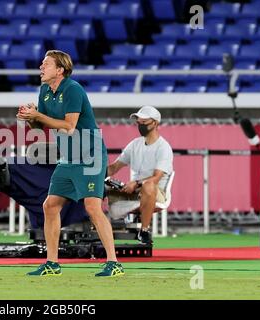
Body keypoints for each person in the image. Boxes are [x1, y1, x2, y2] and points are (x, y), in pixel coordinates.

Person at [17, 50, 124, 277]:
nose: (40, 67)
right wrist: (30, 119)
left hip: (90, 155)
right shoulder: (45, 90)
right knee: (50, 206)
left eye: (45, 64)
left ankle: (114, 263)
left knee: (92, 207)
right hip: (68, 158)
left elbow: (69, 126)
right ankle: (52, 263)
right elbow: (40, 128)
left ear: (60, 70)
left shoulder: (73, 89)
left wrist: (38, 115)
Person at [107, 106, 174, 245]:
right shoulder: (134, 144)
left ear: (155, 123)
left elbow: (156, 178)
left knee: (148, 185)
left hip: (156, 192)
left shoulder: (164, 147)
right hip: (134, 190)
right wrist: (96, 174)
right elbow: (115, 167)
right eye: (138, 123)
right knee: (97, 185)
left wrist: (135, 183)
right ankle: (92, 226)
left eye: (144, 123)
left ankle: (144, 231)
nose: (140, 126)